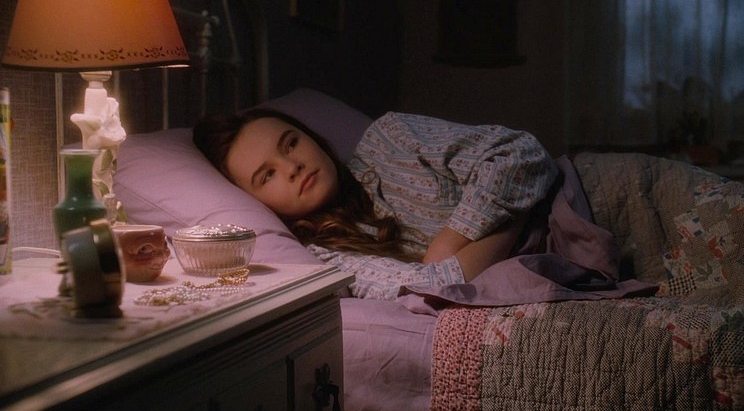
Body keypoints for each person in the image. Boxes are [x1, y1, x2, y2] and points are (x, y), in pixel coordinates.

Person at [194, 108, 558, 300]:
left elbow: (519, 152)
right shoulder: (326, 258)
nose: (292, 166)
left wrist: (451, 241)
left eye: (290, 143)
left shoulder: (390, 137)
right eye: (267, 175)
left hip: (572, 192)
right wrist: (515, 214)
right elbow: (435, 287)